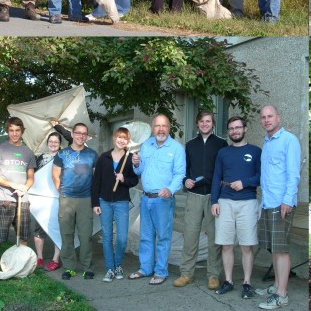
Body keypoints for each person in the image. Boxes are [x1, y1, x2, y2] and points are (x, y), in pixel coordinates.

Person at [174, 110, 227, 290]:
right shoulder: (189, 145)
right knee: (190, 236)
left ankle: (213, 275)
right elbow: (184, 170)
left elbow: (224, 170)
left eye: (208, 121)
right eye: (202, 121)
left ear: (213, 123)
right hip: (194, 196)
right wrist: (185, 180)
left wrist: (220, 195)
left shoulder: (221, 144)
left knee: (214, 238)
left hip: (213, 197)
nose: (205, 124)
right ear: (197, 124)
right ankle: (186, 273)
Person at [130, 114, 186, 285]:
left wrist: (170, 189)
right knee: (145, 236)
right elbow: (138, 172)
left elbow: (179, 174)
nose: (161, 129)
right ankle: (145, 268)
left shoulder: (176, 148)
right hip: (146, 199)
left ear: (169, 128)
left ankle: (161, 271)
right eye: (157, 126)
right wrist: (136, 163)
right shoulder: (146, 145)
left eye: (164, 126)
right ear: (152, 128)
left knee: (163, 237)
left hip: (163, 200)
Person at [210, 116, 261, 300]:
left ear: (245, 129)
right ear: (228, 131)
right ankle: (229, 281)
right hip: (225, 202)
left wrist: (245, 182)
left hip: (247, 202)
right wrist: (214, 201)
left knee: (247, 246)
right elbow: (217, 177)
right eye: (231, 129)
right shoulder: (223, 153)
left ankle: (247, 282)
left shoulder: (255, 151)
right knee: (226, 245)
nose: (235, 131)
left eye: (238, 128)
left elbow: (261, 177)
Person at [257, 105, 301, 310]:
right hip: (269, 202)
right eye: (263, 117)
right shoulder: (267, 142)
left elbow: (294, 174)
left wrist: (287, 200)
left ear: (278, 118)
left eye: (270, 116)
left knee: (281, 249)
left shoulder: (289, 140)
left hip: (281, 203)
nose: (267, 120)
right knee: (274, 248)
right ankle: (276, 286)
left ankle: (282, 295)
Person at [0, 117, 36, 272]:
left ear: (22, 131)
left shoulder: (28, 152)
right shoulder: (0, 150)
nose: (14, 134)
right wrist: (12, 184)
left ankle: (20, 267)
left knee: (23, 236)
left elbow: (30, 178)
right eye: (11, 130)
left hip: (23, 200)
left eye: (17, 130)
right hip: (4, 200)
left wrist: (24, 188)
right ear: (7, 131)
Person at [92, 127, 138, 283]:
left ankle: (118, 264)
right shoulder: (104, 157)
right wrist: (95, 202)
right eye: (119, 137)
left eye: (124, 138)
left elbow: (134, 180)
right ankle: (110, 268)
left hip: (121, 202)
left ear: (128, 141)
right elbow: (96, 182)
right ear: (114, 138)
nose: (121, 140)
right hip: (104, 201)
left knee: (122, 238)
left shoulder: (130, 158)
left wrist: (123, 178)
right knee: (106, 236)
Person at [53, 122, 98, 280]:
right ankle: (69, 267)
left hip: (86, 199)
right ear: (72, 134)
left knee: (86, 235)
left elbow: (94, 177)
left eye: (84, 134)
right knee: (67, 234)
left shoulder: (92, 154)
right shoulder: (62, 154)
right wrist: (63, 192)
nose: (81, 136)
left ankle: (87, 267)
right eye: (78, 133)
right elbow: (55, 176)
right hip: (66, 199)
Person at [33, 131, 70, 271]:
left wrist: (58, 126)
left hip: (58, 197)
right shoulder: (41, 158)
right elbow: (34, 176)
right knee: (39, 228)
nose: (53, 144)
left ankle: (56, 259)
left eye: (56, 141)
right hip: (42, 197)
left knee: (57, 228)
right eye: (51, 141)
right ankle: (39, 257)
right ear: (47, 143)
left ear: (60, 144)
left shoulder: (64, 157)